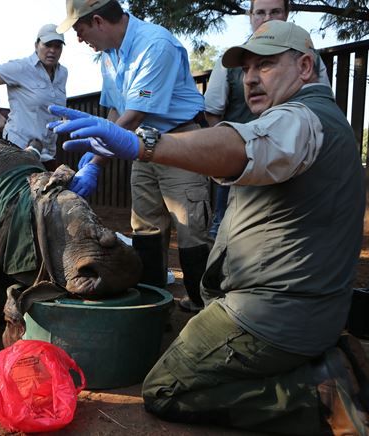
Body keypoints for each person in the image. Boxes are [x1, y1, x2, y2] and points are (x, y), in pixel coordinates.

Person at [48, 20, 368, 435]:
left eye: (266, 66)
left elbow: (240, 145)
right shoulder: (321, 120)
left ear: (305, 67)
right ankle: (321, 358)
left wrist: (144, 144)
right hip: (304, 306)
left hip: (275, 315)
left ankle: (323, 398)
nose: (250, 78)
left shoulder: (300, 119)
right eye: (247, 69)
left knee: (166, 389)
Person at [56, 0, 211, 312]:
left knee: (190, 226)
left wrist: (98, 160)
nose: (78, 39)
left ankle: (201, 303)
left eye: (79, 29)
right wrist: (98, 143)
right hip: (140, 146)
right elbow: (116, 110)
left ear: (98, 21)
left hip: (180, 140)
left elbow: (136, 114)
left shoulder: (156, 45)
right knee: (145, 227)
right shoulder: (109, 57)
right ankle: (153, 304)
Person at [204, 0, 331, 239]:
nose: (267, 18)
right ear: (250, 16)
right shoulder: (227, 63)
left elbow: (319, 106)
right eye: (260, 13)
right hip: (241, 168)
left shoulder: (311, 59)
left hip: (295, 173)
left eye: (275, 12)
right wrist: (228, 148)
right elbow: (212, 111)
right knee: (226, 232)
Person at [0, 24, 67, 171]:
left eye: (58, 46)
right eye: (48, 45)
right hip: (19, 148)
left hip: (48, 152)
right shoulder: (21, 68)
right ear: (37, 45)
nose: (52, 51)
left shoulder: (63, 73)